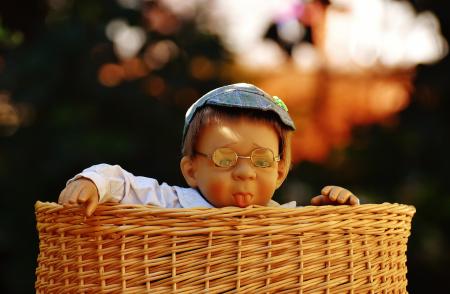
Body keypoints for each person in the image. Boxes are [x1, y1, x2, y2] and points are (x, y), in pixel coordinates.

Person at [58, 83, 360, 216]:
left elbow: (314, 242)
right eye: (225, 159)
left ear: (280, 171)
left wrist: (335, 212)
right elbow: (121, 183)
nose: (244, 173)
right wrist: (91, 182)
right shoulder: (173, 204)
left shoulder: (277, 219)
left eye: (262, 161)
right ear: (191, 170)